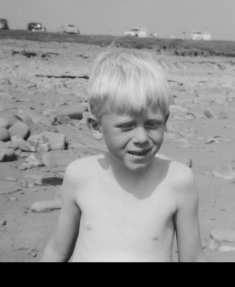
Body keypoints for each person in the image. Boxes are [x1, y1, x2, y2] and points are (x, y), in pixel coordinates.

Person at [41, 48, 207, 262]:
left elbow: (192, 258)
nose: (141, 137)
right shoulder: (80, 175)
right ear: (96, 126)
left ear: (165, 121)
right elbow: (57, 250)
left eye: (152, 124)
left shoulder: (177, 181)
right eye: (127, 126)